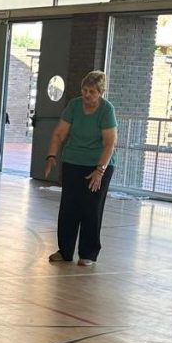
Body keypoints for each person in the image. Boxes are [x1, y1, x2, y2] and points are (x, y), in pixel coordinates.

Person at [44, 69, 117, 266]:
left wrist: (100, 170)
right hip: (73, 161)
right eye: (84, 90)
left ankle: (88, 253)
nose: (87, 95)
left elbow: (110, 143)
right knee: (69, 206)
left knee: (91, 208)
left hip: (99, 162)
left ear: (100, 92)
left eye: (92, 92)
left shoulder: (106, 110)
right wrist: (51, 156)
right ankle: (65, 250)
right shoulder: (74, 106)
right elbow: (59, 133)